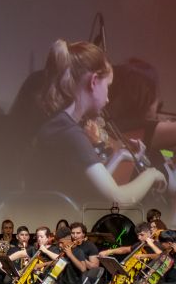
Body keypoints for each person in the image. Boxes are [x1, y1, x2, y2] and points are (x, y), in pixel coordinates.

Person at [23, 40, 167, 209]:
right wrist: (152, 174)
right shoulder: (70, 133)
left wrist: (120, 155)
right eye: (108, 86)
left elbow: (94, 186)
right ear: (93, 82)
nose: (107, 98)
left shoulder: (60, 124)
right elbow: (117, 201)